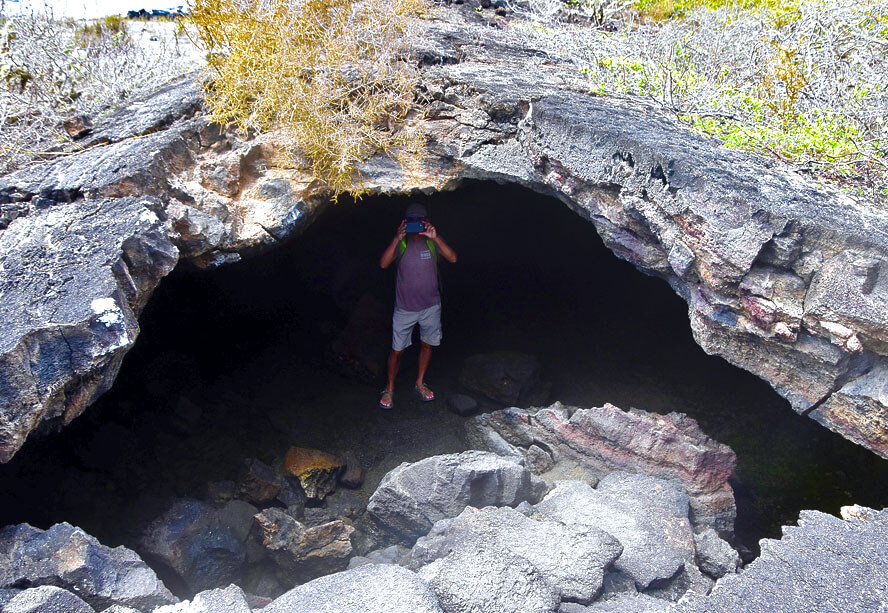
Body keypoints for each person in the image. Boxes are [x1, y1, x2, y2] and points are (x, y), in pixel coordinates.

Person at [378, 202, 457, 409]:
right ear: (405, 223)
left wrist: (435, 237)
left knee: (426, 344)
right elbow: (383, 263)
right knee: (397, 350)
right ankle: (390, 387)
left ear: (426, 222)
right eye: (411, 222)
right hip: (405, 308)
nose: (416, 226)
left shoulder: (431, 243)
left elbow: (453, 258)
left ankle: (420, 383)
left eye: (419, 222)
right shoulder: (401, 244)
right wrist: (397, 238)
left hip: (430, 306)